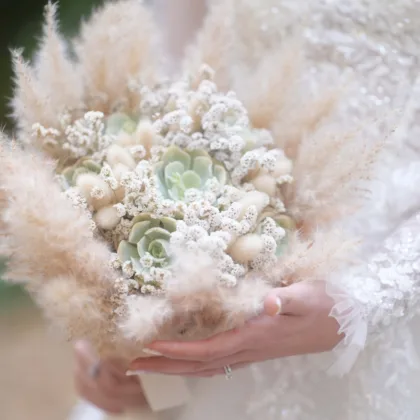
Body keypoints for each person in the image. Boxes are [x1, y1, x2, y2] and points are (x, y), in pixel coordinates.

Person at [74, 0, 420, 419]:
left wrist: (365, 299)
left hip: (393, 269)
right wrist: (126, 313)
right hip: (227, 244)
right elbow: (172, 78)